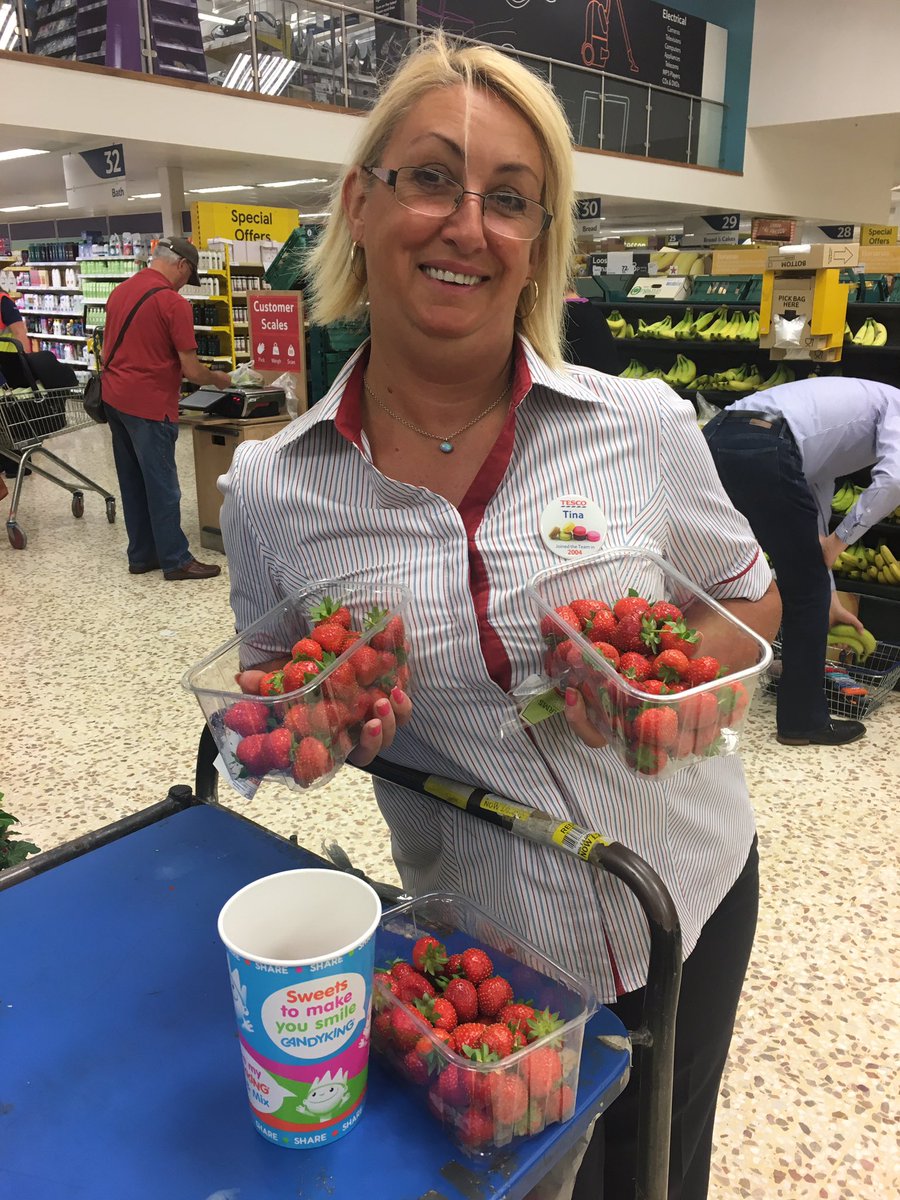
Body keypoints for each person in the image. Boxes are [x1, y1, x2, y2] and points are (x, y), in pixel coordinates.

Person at [219, 34, 781, 1200]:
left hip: (690, 891)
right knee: (518, 1178)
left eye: (511, 200)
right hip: (494, 951)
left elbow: (748, 592)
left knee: (660, 1170)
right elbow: (270, 699)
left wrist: (670, 691)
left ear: (537, 248)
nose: (466, 225)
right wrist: (316, 728)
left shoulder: (641, 424)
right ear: (359, 204)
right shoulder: (274, 487)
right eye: (429, 178)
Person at [703, 376, 900, 747]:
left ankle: (689, 696)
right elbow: (893, 480)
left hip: (716, 435)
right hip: (764, 442)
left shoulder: (845, 426)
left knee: (718, 572)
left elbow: (815, 516)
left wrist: (830, 598)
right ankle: (802, 722)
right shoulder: (896, 407)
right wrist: (840, 544)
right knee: (802, 588)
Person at [102, 236, 231, 580]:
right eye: (188, 278)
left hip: (114, 399)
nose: (185, 285)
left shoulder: (120, 292)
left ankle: (142, 556)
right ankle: (175, 560)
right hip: (149, 403)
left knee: (132, 481)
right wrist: (217, 378)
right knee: (163, 484)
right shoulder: (173, 304)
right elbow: (191, 370)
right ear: (182, 265)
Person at [1, 287, 33, 477]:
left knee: (12, 417)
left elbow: (20, 334)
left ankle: (16, 464)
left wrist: (27, 363)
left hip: (10, 362)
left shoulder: (4, 301)